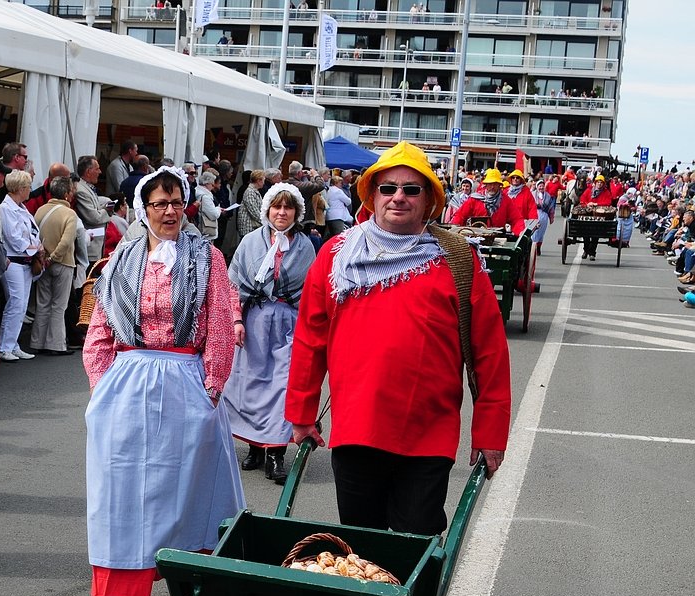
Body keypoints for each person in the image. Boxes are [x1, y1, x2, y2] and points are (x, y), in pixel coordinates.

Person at [286, 142, 512, 535]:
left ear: (429, 201)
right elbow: (310, 338)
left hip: (428, 434)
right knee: (361, 549)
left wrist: (490, 432)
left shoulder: (458, 259)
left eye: (411, 189)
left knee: (416, 546)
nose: (398, 198)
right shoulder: (337, 255)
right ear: (372, 195)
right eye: (388, 188)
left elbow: (489, 351)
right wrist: (302, 414)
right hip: (358, 429)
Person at [79, 166, 244, 596]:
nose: (169, 211)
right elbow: (101, 328)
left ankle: (198, 590)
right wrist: (101, 386)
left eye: (176, 202)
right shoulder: (119, 261)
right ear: (142, 209)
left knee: (187, 487)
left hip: (185, 380)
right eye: (158, 203)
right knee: (121, 490)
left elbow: (217, 323)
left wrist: (211, 386)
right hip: (127, 383)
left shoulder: (207, 258)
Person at [223, 183, 316, 486]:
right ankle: (254, 446)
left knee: (282, 387)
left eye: (288, 207)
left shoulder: (304, 246)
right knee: (251, 387)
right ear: (267, 210)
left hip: (289, 323)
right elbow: (233, 284)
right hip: (254, 322)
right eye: (277, 207)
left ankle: (275, 453)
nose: (282, 212)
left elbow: (313, 292)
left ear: (296, 212)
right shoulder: (250, 242)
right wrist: (236, 320)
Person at [0, 169, 41, 363]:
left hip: (25, 261)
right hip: (15, 261)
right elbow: (13, 238)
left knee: (21, 306)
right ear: (21, 188)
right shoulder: (6, 208)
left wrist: (36, 246)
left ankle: (12, 344)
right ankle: (4, 346)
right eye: (28, 186)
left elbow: (30, 231)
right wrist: (33, 247)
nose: (30, 190)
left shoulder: (21, 207)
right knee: (15, 304)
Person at [31, 176, 79, 356]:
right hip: (62, 263)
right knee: (59, 305)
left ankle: (37, 341)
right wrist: (54, 257)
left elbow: (34, 236)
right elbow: (67, 241)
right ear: (66, 194)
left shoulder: (40, 211)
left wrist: (45, 258)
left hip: (42, 263)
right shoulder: (69, 214)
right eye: (72, 191)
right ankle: (56, 344)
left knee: (42, 303)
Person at [449, 169, 528, 234]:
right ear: (485, 185)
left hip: (498, 238)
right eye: (490, 184)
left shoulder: (506, 200)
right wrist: (453, 231)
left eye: (495, 184)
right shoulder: (475, 199)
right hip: (475, 236)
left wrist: (521, 232)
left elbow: (517, 219)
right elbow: (460, 215)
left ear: (500, 185)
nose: (492, 187)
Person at [577, 174, 618, 260]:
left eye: (601, 182)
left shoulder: (606, 192)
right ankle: (586, 250)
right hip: (588, 215)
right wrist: (588, 204)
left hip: (600, 216)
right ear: (595, 183)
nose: (599, 184)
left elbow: (608, 202)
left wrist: (597, 204)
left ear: (603, 184)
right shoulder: (588, 191)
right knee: (586, 234)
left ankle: (592, 253)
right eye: (598, 182)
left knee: (596, 234)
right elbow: (582, 199)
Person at [531, 179, 556, 257]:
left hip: (544, 215)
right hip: (534, 215)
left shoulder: (547, 196)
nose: (541, 187)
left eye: (542, 186)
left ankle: (538, 247)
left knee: (541, 233)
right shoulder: (532, 194)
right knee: (534, 232)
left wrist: (551, 217)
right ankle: (533, 248)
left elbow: (551, 208)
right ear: (537, 187)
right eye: (540, 186)